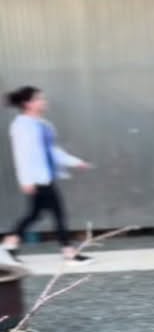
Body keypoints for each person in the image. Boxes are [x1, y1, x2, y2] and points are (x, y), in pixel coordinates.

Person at [2, 87, 93, 263]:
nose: (44, 101)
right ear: (28, 104)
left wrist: (75, 162)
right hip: (37, 179)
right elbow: (22, 154)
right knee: (57, 213)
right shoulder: (22, 126)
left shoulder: (44, 125)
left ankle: (10, 243)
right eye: (39, 99)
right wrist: (26, 180)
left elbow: (52, 150)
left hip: (46, 177)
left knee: (35, 214)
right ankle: (68, 251)